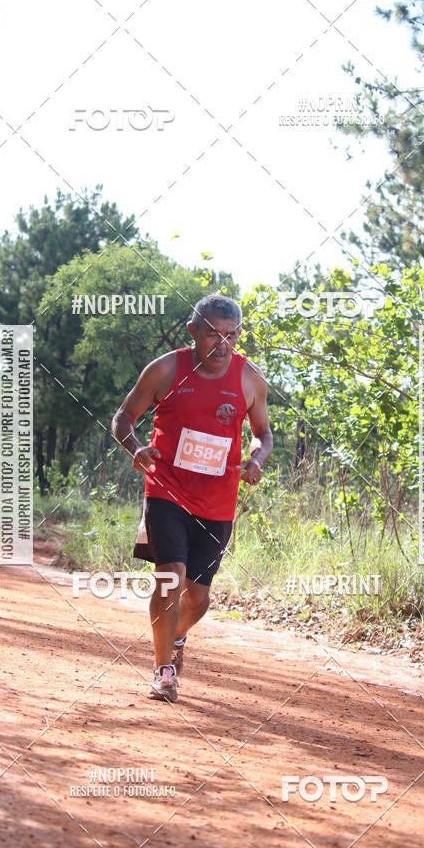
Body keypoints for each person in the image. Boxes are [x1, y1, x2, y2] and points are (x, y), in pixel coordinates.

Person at [111, 294, 273, 702]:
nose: (222, 345)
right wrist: (135, 448)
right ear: (193, 332)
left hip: (217, 501)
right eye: (213, 334)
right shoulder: (166, 369)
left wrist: (257, 457)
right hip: (166, 489)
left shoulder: (250, 378)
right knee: (170, 577)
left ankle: (176, 637)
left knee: (198, 598)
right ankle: (163, 671)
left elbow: (263, 433)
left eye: (231, 335)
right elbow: (123, 418)